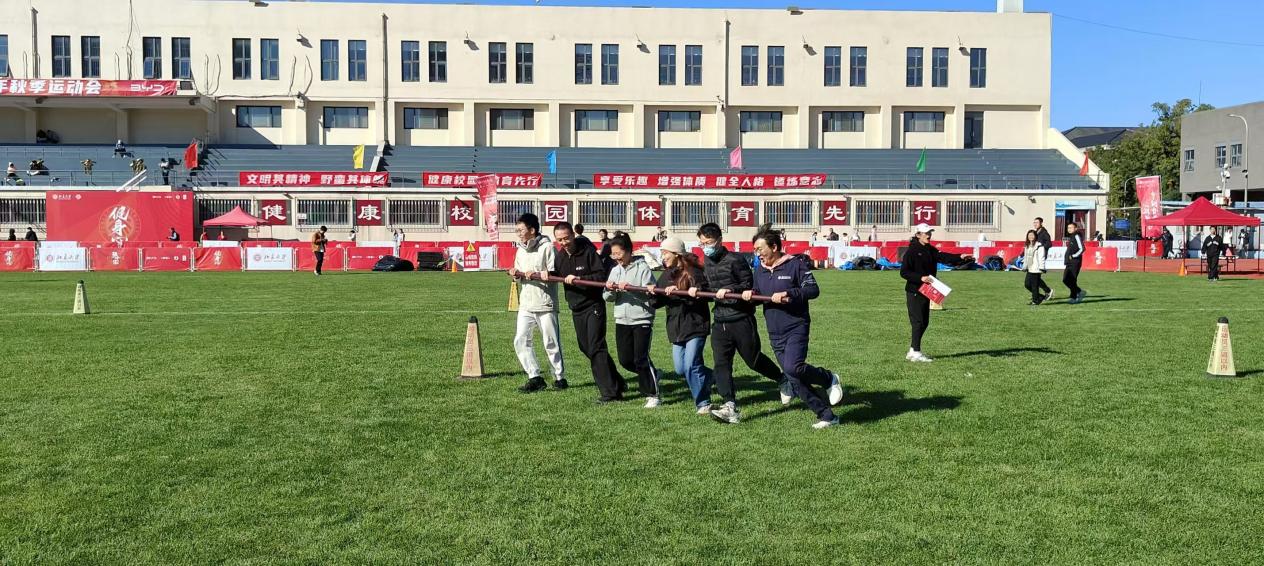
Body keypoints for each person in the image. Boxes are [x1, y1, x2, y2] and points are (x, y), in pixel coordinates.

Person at [697, 222, 804, 424]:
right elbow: (707, 285)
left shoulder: (735, 260)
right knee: (721, 363)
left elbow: (749, 285)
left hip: (741, 318)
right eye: (702, 243)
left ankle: (782, 379)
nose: (705, 247)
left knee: (752, 360)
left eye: (708, 242)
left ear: (719, 240)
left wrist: (730, 290)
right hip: (720, 319)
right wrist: (697, 289)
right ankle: (730, 405)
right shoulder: (707, 261)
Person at [738, 227, 842, 429]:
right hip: (774, 330)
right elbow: (759, 294)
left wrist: (789, 293)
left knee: (793, 368)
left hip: (796, 326)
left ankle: (828, 377)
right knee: (793, 378)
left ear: (774, 247)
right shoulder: (759, 270)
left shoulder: (795, 264)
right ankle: (827, 416)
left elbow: (813, 290)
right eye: (755, 250)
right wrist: (750, 296)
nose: (757, 254)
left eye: (760, 249)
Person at [552, 221, 626, 403]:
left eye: (566, 238)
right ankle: (617, 381)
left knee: (596, 347)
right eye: (560, 240)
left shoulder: (588, 252)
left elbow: (601, 276)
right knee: (585, 347)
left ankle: (610, 393)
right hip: (576, 308)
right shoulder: (560, 257)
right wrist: (545, 273)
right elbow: (556, 273)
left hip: (593, 305)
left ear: (573, 235)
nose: (564, 242)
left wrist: (579, 278)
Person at [649, 237, 714, 414]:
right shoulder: (666, 274)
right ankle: (712, 376)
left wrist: (689, 292)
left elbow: (707, 294)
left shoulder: (694, 272)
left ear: (676, 253)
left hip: (695, 324)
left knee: (691, 365)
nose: (663, 257)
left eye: (665, 253)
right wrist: (653, 293)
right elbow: (657, 303)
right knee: (680, 369)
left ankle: (703, 403)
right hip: (676, 327)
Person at [507, 213, 566, 393]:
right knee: (520, 339)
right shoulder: (520, 250)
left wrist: (541, 274)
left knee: (551, 341)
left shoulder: (547, 247)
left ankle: (559, 377)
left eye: (521, 230)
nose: (518, 233)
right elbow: (519, 274)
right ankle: (534, 376)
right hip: (526, 303)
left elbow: (555, 273)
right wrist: (515, 273)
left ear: (532, 230)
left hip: (545, 302)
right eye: (517, 230)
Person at [899, 223, 972, 362]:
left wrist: (960, 257)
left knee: (924, 322)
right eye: (926, 233)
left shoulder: (929, 249)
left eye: (930, 232)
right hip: (915, 291)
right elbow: (904, 272)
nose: (929, 235)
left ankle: (913, 350)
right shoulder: (911, 252)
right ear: (918, 235)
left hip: (927, 290)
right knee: (918, 322)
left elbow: (943, 257)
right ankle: (916, 352)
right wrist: (920, 278)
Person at [603, 236, 661, 407]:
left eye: (619, 254)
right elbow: (607, 297)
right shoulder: (615, 270)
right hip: (622, 319)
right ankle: (652, 373)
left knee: (641, 358)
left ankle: (653, 395)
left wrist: (630, 289)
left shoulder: (643, 268)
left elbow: (650, 295)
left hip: (642, 318)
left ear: (629, 251)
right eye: (613, 254)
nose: (616, 258)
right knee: (625, 360)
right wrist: (610, 289)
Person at [1063, 221, 1087, 304]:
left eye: (1071, 227)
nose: (1069, 229)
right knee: (1065, 280)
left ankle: (1073, 297)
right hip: (1069, 262)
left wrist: (1073, 256)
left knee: (1072, 280)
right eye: (1068, 228)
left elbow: (1082, 248)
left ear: (1075, 228)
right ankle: (1079, 291)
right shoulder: (1072, 236)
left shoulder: (1076, 236)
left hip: (1075, 262)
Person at [1022, 230, 1048, 305]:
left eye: (1032, 235)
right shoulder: (1027, 246)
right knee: (1027, 284)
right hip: (1030, 268)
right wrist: (1024, 267)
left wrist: (1042, 267)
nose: (1031, 237)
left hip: (1036, 269)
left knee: (1034, 285)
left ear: (1035, 236)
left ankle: (1035, 301)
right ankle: (1039, 297)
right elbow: (1026, 257)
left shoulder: (1039, 246)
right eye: (1029, 235)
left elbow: (1041, 257)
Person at [1032, 217, 1053, 301]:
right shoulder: (1035, 232)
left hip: (1040, 258)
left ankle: (1047, 291)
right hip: (1034, 257)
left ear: (1041, 223)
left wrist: (1040, 246)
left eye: (1037, 222)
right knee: (1034, 277)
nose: (1035, 224)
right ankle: (1038, 293)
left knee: (1035, 277)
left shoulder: (1044, 233)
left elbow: (1049, 244)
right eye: (1034, 222)